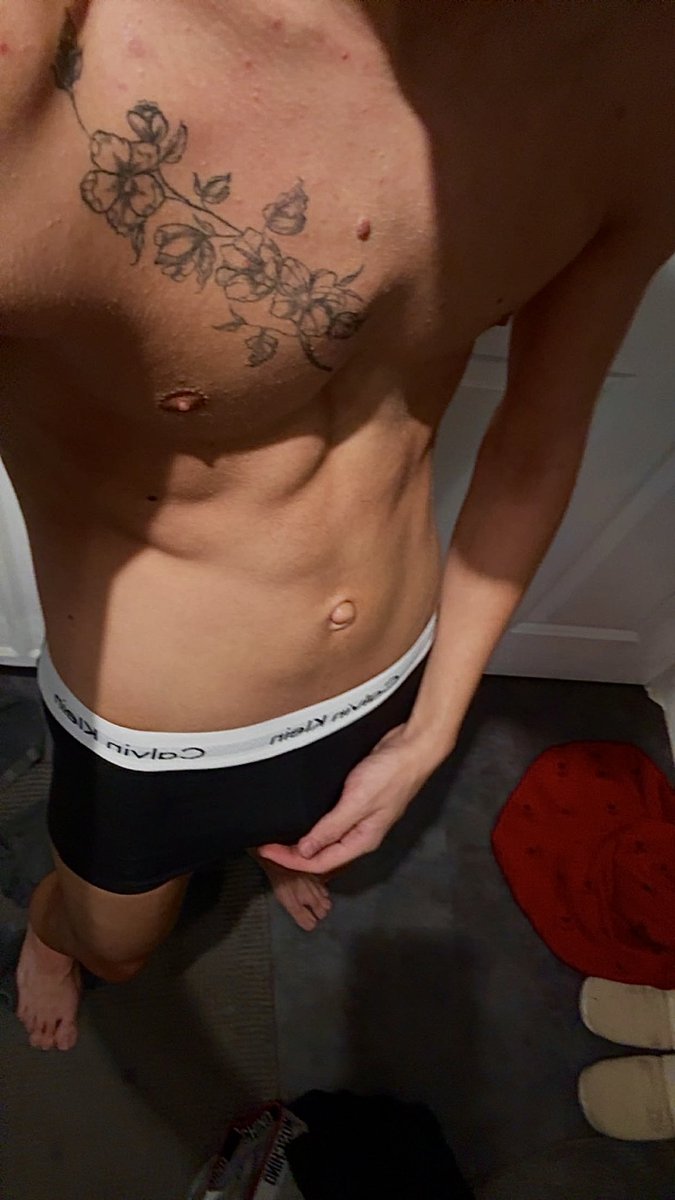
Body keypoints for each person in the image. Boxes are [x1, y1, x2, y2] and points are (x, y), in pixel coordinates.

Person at [1, 0, 673, 1053]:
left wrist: (435, 726)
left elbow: (537, 441)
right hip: (153, 734)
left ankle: (268, 840)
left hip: (390, 668)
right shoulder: (40, 70)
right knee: (116, 946)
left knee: (307, 829)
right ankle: (53, 933)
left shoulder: (632, 61)